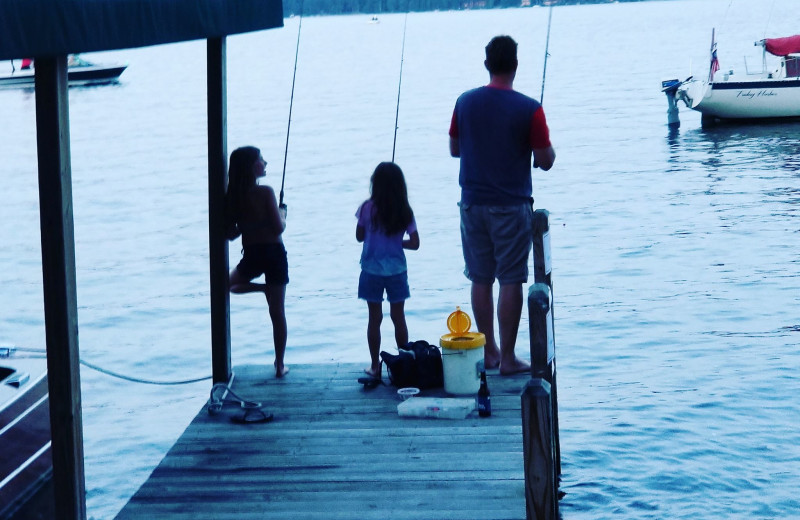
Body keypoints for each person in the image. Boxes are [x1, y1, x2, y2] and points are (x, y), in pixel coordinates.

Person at [448, 35, 556, 375]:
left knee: (480, 278)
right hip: (510, 205)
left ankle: (490, 351)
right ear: (515, 65)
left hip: (472, 204)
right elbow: (545, 159)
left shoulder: (464, 102)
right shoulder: (529, 108)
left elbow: (454, 149)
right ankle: (508, 359)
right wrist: (538, 153)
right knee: (510, 279)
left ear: (486, 64)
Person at [226, 146, 289, 378]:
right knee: (277, 312)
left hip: (252, 254)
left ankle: (262, 289)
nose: (265, 163)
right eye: (261, 159)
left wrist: (248, 225)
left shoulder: (235, 196)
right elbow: (278, 227)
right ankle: (280, 364)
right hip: (274, 253)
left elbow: (231, 234)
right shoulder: (266, 193)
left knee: (228, 285)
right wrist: (283, 212)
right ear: (253, 166)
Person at [356, 162, 420, 379]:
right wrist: (396, 243)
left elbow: (359, 236)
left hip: (371, 270)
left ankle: (375, 366)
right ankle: (404, 365)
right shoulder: (404, 210)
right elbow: (415, 243)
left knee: (374, 318)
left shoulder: (366, 207)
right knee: (398, 316)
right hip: (397, 271)